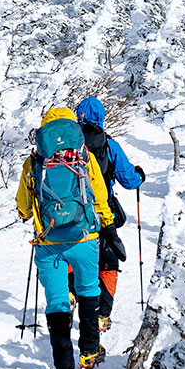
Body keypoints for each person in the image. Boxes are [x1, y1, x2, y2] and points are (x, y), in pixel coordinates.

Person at [16, 105, 115, 369]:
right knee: (88, 292)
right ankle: (89, 353)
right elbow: (99, 196)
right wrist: (106, 224)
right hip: (84, 240)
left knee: (57, 302)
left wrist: (28, 214)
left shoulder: (34, 162)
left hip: (48, 243)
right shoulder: (83, 158)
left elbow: (23, 206)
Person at [74, 96, 143, 329]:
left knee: (74, 254)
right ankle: (103, 314)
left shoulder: (69, 145)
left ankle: (71, 293)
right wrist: (139, 175)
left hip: (73, 212)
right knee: (109, 260)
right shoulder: (109, 145)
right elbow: (129, 180)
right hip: (102, 213)